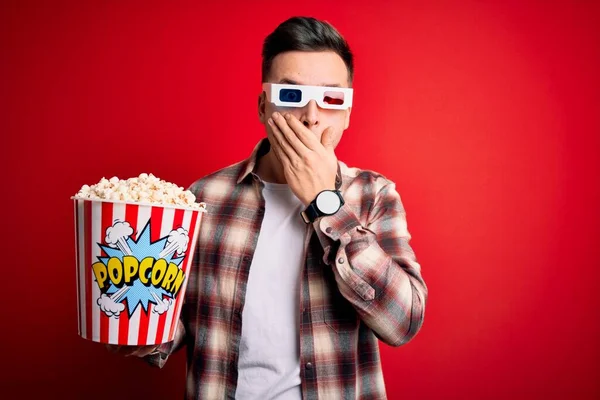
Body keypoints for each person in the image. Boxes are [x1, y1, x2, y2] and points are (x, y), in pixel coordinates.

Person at [111, 16, 428, 400]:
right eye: (291, 96)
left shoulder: (374, 196)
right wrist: (136, 328)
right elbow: (180, 324)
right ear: (263, 106)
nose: (311, 116)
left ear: (346, 114)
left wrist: (325, 202)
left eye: (330, 99)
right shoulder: (205, 197)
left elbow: (403, 323)